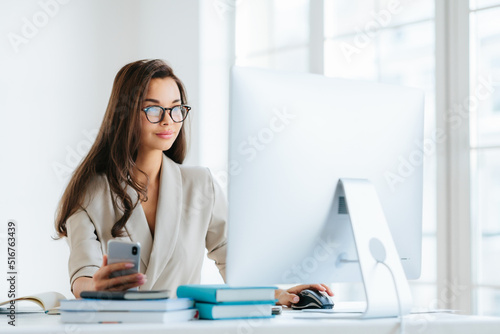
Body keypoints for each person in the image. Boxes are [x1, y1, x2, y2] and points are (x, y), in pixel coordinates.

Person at [55, 59, 333, 305]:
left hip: (182, 327)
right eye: (153, 109)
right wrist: (97, 287)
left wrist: (279, 293)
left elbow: (232, 263)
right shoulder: (91, 192)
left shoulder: (201, 184)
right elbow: (82, 276)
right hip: (120, 326)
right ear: (125, 114)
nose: (168, 121)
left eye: (176, 109)